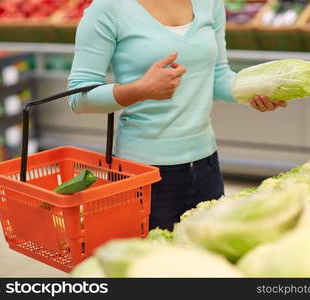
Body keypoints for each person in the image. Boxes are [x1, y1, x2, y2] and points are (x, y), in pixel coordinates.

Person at [68, 0, 287, 231]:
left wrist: (254, 90)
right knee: (150, 263)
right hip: (143, 172)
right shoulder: (108, 9)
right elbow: (78, 98)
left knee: (206, 261)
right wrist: (141, 90)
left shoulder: (209, 3)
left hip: (206, 166)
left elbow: (218, 75)